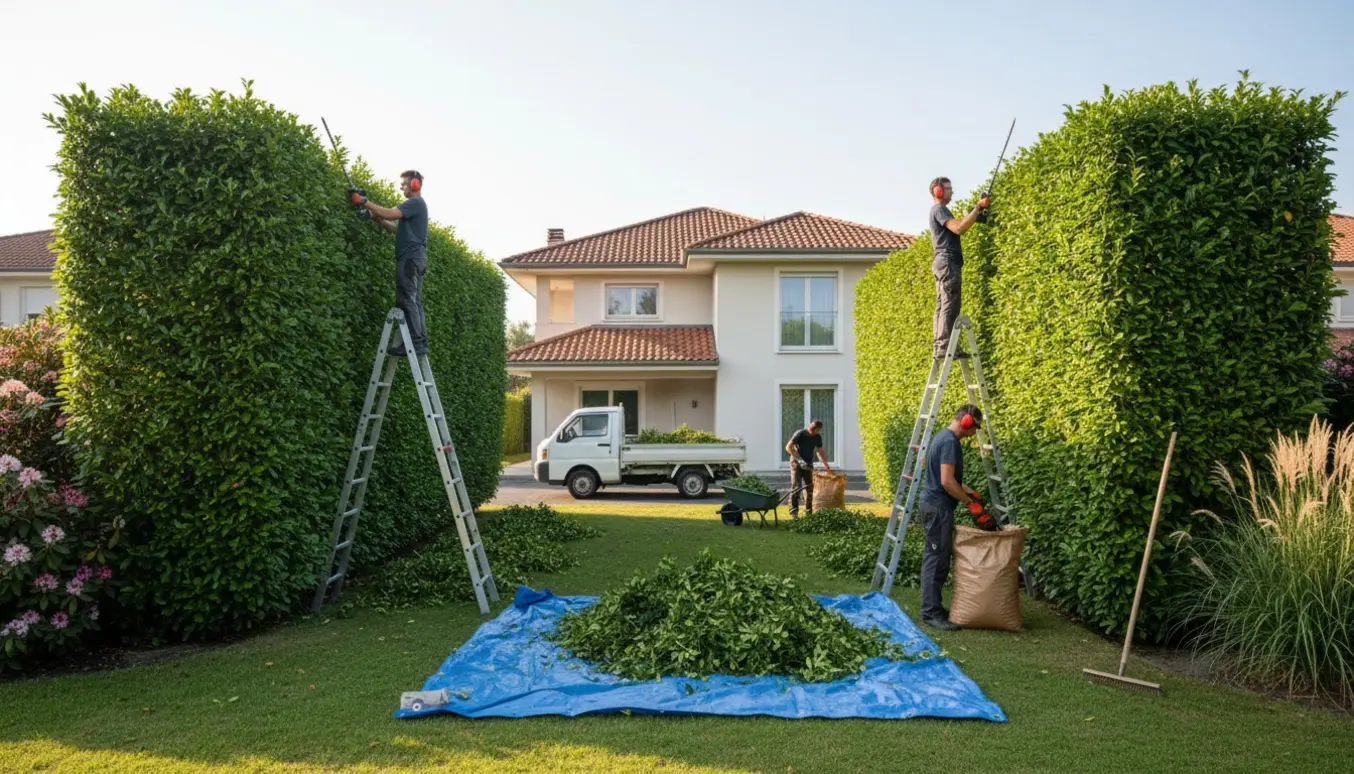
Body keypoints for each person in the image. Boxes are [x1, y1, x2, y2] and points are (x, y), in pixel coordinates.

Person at [917, 404, 984, 630]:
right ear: (966, 421)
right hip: (938, 508)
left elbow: (950, 479)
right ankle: (930, 614)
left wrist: (969, 492)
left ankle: (934, 607)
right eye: (974, 427)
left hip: (936, 506)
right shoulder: (949, 442)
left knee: (940, 559)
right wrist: (968, 503)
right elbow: (946, 482)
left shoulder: (944, 438)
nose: (974, 432)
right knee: (935, 560)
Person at [360, 170, 429, 356]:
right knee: (415, 301)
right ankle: (420, 342)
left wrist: (365, 202)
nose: (401, 186)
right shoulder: (417, 207)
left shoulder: (414, 202)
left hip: (410, 259)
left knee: (407, 299)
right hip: (416, 258)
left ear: (415, 184)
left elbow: (391, 213)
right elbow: (394, 226)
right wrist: (378, 219)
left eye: (405, 183)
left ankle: (415, 343)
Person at [929, 177, 990, 360]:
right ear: (938, 191)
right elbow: (959, 228)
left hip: (942, 262)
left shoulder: (940, 211)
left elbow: (962, 224)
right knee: (950, 303)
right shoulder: (939, 210)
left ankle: (941, 345)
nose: (952, 192)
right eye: (948, 188)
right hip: (948, 261)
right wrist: (977, 207)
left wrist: (977, 215)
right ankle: (946, 346)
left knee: (942, 304)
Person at [785, 420, 833, 518]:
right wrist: (799, 460)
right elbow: (788, 447)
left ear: (818, 430)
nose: (810, 432)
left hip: (808, 464)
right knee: (796, 487)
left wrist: (826, 466)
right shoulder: (800, 434)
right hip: (796, 463)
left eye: (813, 431)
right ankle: (794, 513)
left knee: (810, 488)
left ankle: (809, 513)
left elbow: (819, 451)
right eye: (810, 429)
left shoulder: (817, 438)